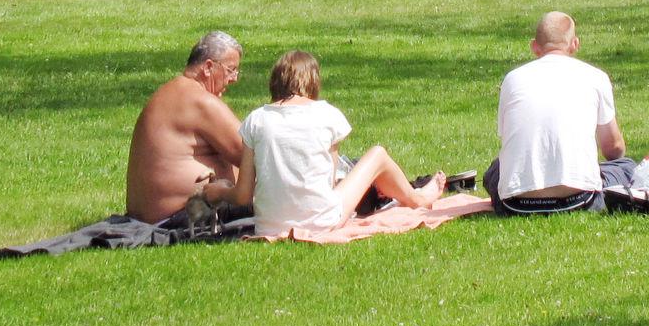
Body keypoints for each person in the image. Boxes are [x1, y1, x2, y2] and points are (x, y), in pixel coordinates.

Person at [227, 50, 444, 235]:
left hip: (269, 227)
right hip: (321, 223)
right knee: (377, 155)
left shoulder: (256, 119)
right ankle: (417, 199)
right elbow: (328, 182)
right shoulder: (326, 114)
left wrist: (218, 192)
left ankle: (412, 196)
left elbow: (243, 194)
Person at [483, 11, 633, 215]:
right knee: (626, 166)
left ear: (534, 47)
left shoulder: (513, 79)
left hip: (515, 204)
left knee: (496, 168)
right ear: (574, 44)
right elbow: (614, 150)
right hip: (581, 200)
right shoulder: (596, 77)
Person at [124, 32, 249, 225]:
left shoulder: (173, 92)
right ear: (208, 67)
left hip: (152, 215)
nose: (234, 79)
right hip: (181, 216)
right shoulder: (200, 101)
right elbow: (251, 155)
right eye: (231, 70)